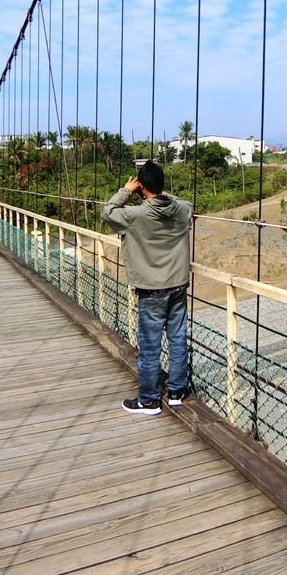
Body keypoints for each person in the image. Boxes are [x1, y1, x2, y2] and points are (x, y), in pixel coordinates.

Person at [101, 160, 193, 415]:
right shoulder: (181, 210)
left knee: (150, 346)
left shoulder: (135, 215)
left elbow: (107, 211)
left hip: (151, 291)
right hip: (178, 286)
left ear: (141, 187)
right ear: (162, 185)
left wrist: (126, 190)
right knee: (177, 339)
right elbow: (186, 205)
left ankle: (149, 400)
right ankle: (176, 392)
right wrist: (159, 191)